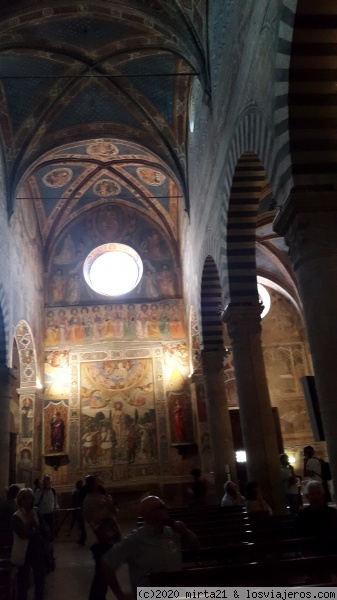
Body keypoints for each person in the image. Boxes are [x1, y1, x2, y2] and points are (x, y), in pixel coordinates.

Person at [102, 495, 200, 599]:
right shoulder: (135, 539)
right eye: (161, 507)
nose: (165, 508)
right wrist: (120, 595)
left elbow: (195, 545)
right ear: (148, 514)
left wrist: (185, 531)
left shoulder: (172, 532)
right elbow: (107, 564)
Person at [82, 475, 121, 600]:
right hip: (99, 541)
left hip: (107, 539)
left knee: (103, 575)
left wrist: (111, 505)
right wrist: (107, 506)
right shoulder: (89, 500)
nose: (102, 482)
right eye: (99, 481)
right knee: (101, 574)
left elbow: (114, 512)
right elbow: (95, 519)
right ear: (94, 485)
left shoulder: (101, 496)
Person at [11, 487, 48, 600]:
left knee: (40, 579)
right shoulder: (16, 516)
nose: (29, 501)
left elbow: (43, 529)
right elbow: (23, 533)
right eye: (26, 499)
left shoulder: (36, 511)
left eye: (30, 498)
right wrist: (30, 520)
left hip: (37, 550)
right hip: (24, 552)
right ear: (20, 501)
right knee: (23, 581)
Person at [295, 480, 337, 555]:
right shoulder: (302, 515)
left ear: (323, 495)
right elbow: (300, 536)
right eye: (312, 494)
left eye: (318, 494)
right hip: (311, 552)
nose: (316, 497)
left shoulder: (333, 513)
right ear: (308, 497)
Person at [34, 474, 57, 570]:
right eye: (46, 480)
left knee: (51, 537)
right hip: (43, 517)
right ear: (43, 481)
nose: (47, 482)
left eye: (49, 480)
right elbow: (36, 502)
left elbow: (54, 502)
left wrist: (55, 509)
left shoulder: (52, 491)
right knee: (44, 538)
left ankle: (50, 558)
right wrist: (42, 491)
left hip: (51, 515)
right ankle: (45, 559)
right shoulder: (38, 491)